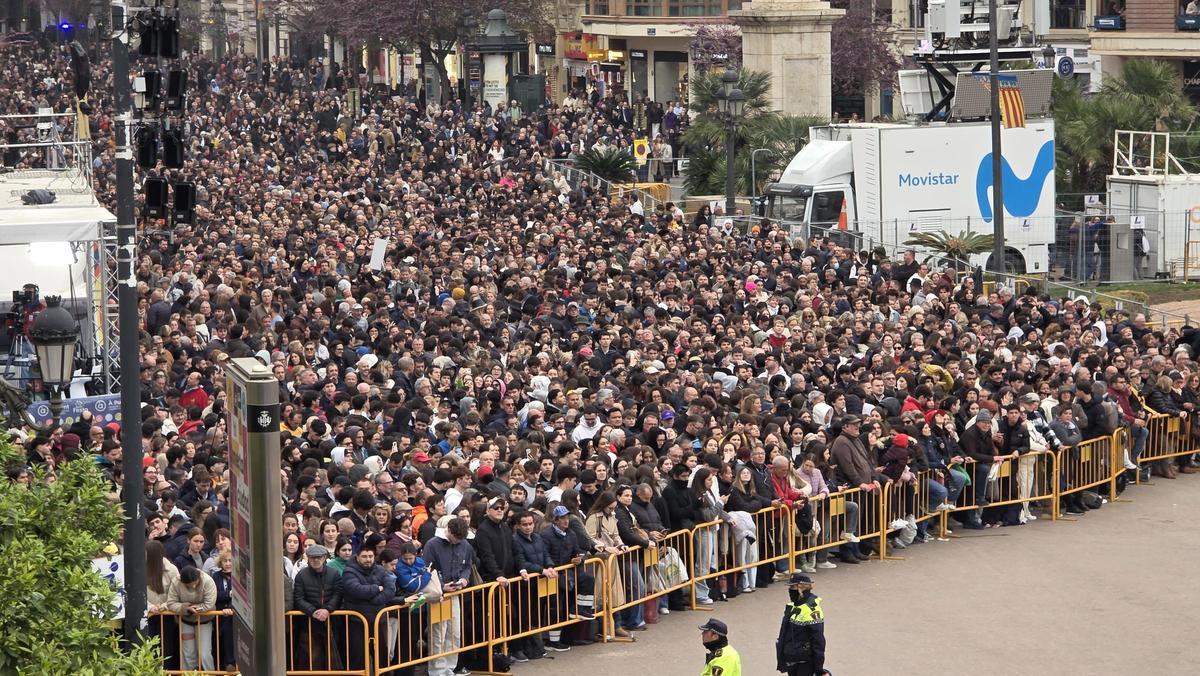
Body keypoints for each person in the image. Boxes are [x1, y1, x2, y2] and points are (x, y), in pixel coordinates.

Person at [341, 546, 396, 670]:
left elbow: (390, 589)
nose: (368, 559)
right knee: (358, 659)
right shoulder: (349, 571)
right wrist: (376, 588)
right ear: (357, 557)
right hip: (358, 622)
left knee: (382, 659)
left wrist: (374, 599)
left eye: (370, 556)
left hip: (378, 621)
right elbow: (356, 590)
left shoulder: (380, 570)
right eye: (364, 556)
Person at [292, 544, 344, 671]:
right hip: (308, 623)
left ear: (325, 557)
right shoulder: (301, 575)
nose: (316, 560)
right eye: (312, 557)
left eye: (318, 557)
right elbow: (298, 598)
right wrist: (313, 611)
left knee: (332, 657)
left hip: (330, 622)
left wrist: (327, 610)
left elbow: (338, 594)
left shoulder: (334, 574)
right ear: (308, 558)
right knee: (310, 658)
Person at [166, 566, 218, 672]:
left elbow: (209, 603)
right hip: (185, 621)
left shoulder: (208, 581)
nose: (193, 586)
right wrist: (185, 608)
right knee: (188, 653)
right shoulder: (176, 582)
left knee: (204, 653)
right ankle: (188, 673)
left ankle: (209, 673)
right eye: (189, 585)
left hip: (204, 621)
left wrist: (196, 609)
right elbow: (171, 603)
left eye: (195, 582)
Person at [776, 573, 826, 676]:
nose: (790, 590)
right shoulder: (793, 606)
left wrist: (818, 667)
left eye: (792, 587)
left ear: (801, 588)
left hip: (805, 661)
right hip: (792, 658)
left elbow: (818, 640)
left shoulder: (812, 610)